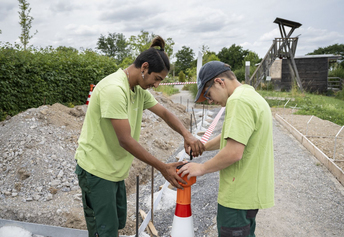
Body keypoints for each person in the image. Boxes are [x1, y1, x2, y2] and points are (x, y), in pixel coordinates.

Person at [74, 36, 205, 237]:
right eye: (157, 79)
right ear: (144, 68)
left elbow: (165, 113)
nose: (158, 85)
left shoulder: (137, 89)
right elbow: (125, 140)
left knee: (114, 224)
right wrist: (163, 167)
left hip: (114, 171)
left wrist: (187, 135)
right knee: (103, 231)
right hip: (96, 171)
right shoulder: (114, 89)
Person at [178, 61, 274, 237]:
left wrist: (201, 168)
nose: (210, 100)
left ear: (219, 82)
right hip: (250, 192)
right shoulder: (250, 96)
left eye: (208, 93)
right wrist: (203, 147)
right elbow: (232, 136)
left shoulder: (237, 101)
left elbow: (234, 152)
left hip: (237, 196)